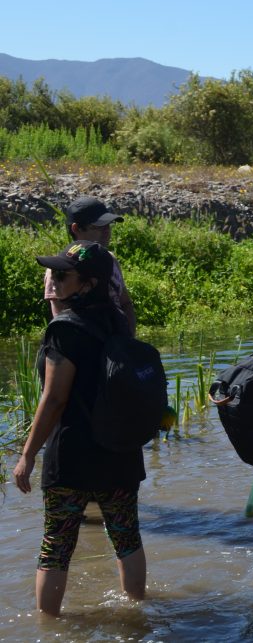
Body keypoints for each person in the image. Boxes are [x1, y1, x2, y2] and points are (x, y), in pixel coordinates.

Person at [14, 241, 146, 616]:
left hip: (72, 455)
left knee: (56, 545)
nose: (52, 280)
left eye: (61, 275)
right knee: (126, 538)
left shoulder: (64, 332)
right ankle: (136, 616)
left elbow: (55, 399)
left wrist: (27, 454)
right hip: (118, 450)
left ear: (86, 285)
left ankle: (49, 630)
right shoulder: (118, 321)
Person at [43, 196, 136, 335]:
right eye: (98, 226)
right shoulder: (59, 269)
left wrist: (128, 340)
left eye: (108, 225)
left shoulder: (110, 259)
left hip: (116, 343)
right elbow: (61, 318)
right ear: (76, 228)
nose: (107, 231)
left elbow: (125, 304)